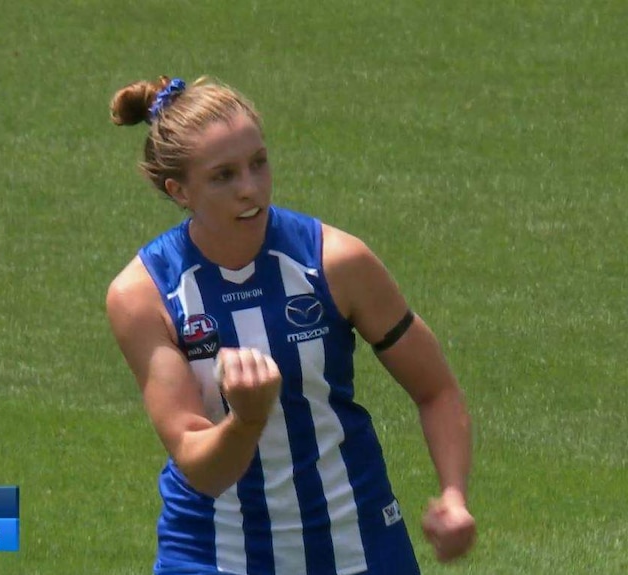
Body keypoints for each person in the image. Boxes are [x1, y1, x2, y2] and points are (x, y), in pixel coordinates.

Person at [106, 75, 476, 575]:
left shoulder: (335, 262)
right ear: (179, 190)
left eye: (258, 163)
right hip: (213, 553)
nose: (251, 189)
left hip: (355, 545)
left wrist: (454, 495)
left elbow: (436, 390)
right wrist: (247, 421)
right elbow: (201, 467)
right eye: (223, 176)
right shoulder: (144, 294)